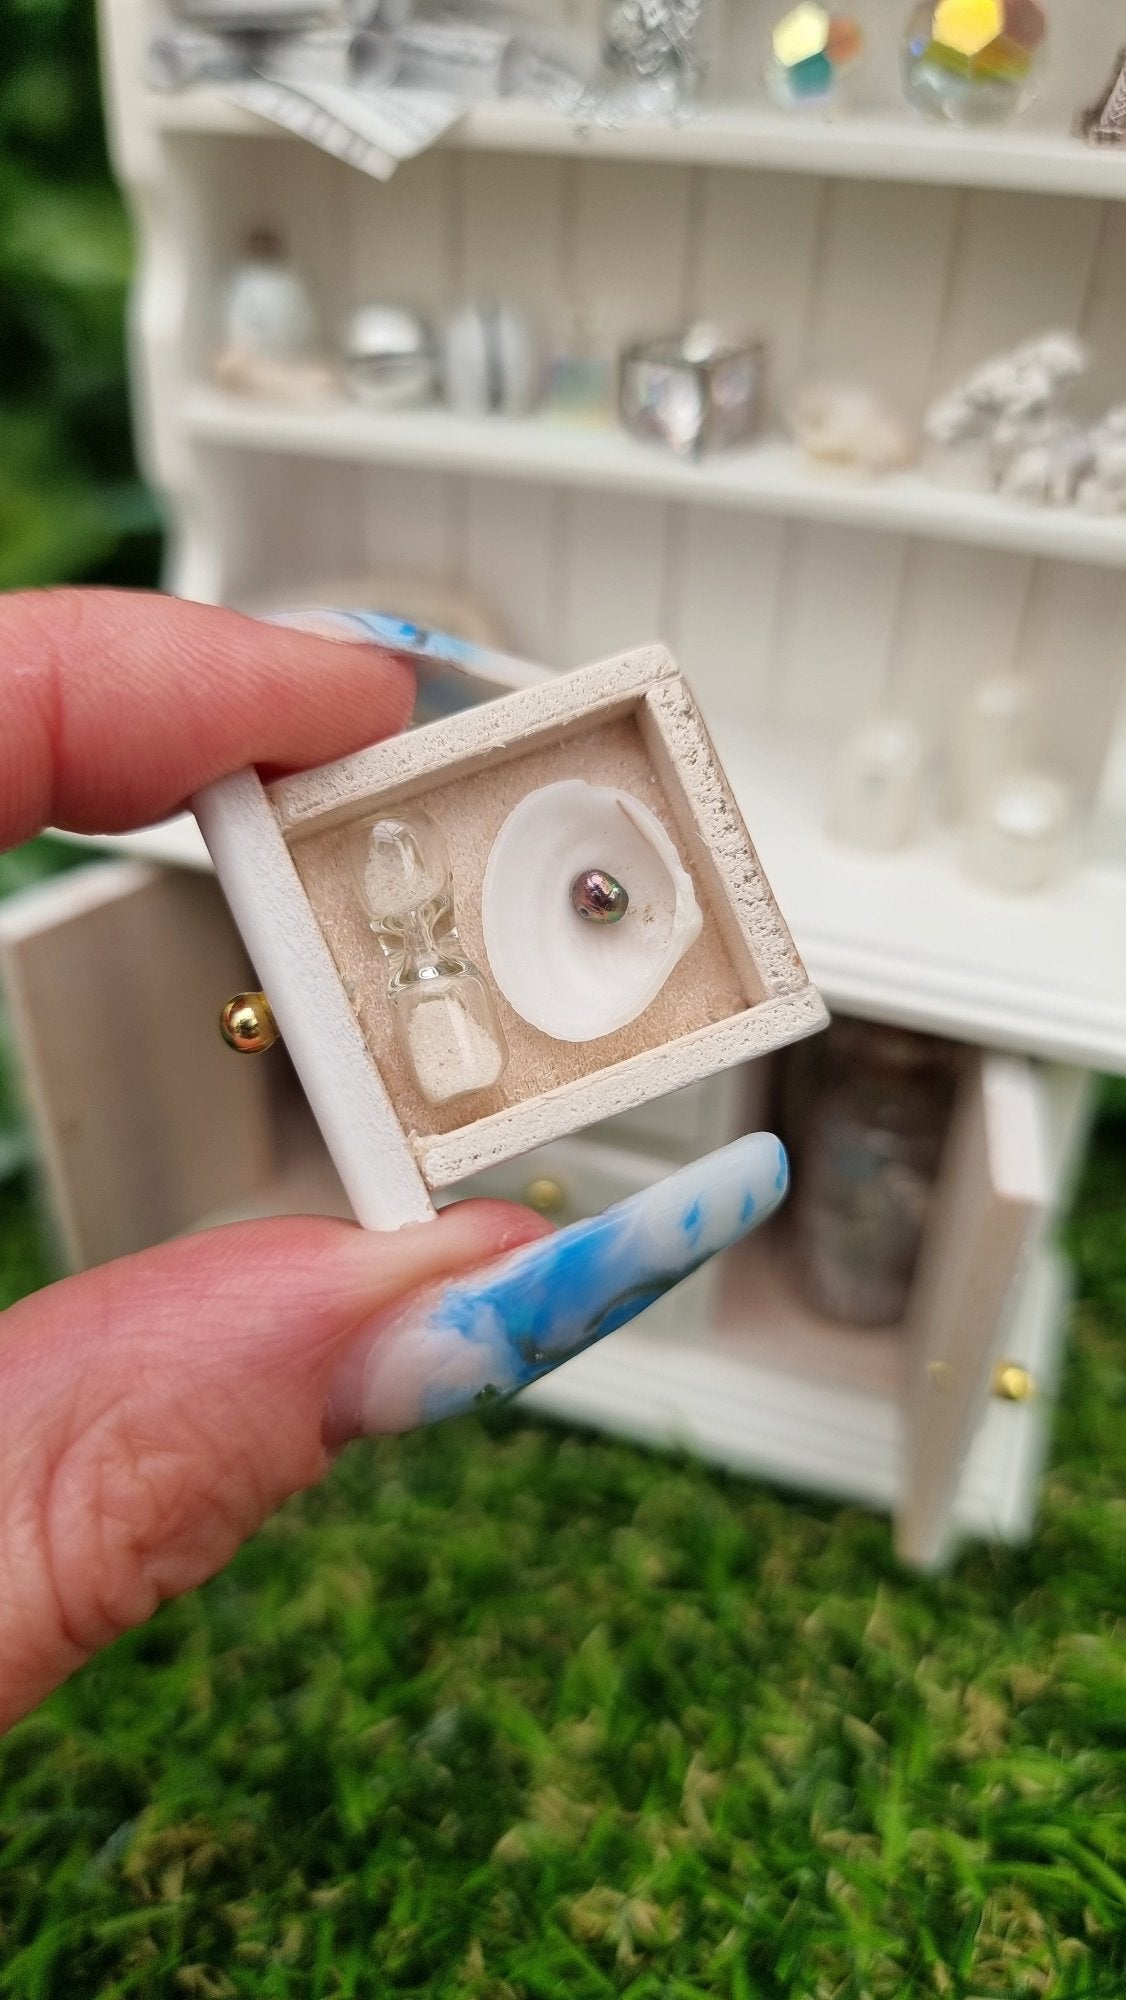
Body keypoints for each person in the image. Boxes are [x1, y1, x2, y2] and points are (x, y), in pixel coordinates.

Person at [0, 589, 785, 1733]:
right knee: (426, 983)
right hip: (433, 991)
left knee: (433, 987)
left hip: (474, 987)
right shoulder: (377, 895)